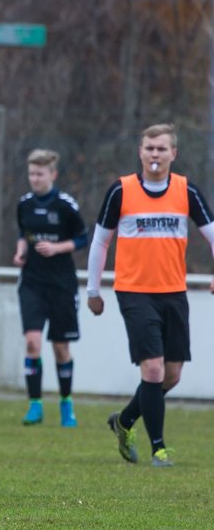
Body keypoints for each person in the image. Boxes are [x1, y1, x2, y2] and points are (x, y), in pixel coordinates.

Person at [86, 124, 214, 468]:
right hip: (134, 292)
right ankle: (159, 448)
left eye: (161, 149)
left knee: (172, 375)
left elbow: (211, 233)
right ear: (140, 152)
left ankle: (125, 421)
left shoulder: (187, 191)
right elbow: (100, 241)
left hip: (174, 292)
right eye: (149, 148)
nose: (154, 154)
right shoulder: (121, 191)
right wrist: (93, 290)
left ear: (173, 153)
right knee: (154, 370)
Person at [12, 149, 88, 427]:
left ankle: (66, 404)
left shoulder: (66, 205)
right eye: (31, 173)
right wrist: (21, 251)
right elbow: (24, 234)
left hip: (61, 285)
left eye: (40, 174)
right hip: (32, 283)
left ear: (52, 175)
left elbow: (82, 239)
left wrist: (56, 247)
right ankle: (35, 405)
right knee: (32, 342)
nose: (34, 178)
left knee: (60, 348)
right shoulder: (24, 204)